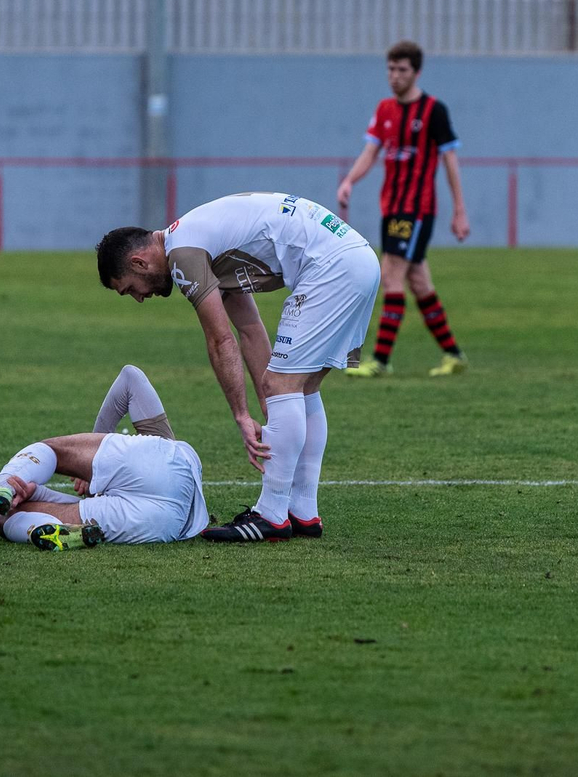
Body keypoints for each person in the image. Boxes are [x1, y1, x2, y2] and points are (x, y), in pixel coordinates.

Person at [96, 192, 380, 542]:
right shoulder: (202, 244)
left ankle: (272, 515)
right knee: (300, 389)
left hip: (331, 269)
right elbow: (248, 328)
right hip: (357, 259)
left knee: (283, 385)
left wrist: (242, 415)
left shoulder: (183, 255)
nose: (139, 297)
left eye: (129, 290)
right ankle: (303, 512)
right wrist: (268, 404)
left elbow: (221, 340)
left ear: (140, 263)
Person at [0, 365, 208, 550]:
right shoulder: (167, 447)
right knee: (10, 516)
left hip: (151, 492)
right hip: (170, 523)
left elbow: (130, 375)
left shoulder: (159, 444)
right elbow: (132, 377)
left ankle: (1, 485)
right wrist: (35, 492)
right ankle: (49, 528)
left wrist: (94, 453)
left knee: (49, 451)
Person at [336, 39, 470, 378]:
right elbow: (371, 152)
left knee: (391, 273)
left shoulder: (433, 111)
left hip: (417, 210)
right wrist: (350, 180)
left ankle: (380, 360)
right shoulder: (384, 110)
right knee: (419, 282)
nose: (394, 76)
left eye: (402, 70)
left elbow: (450, 160)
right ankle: (453, 355)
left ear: (416, 71)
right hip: (392, 209)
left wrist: (459, 210)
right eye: (391, 69)